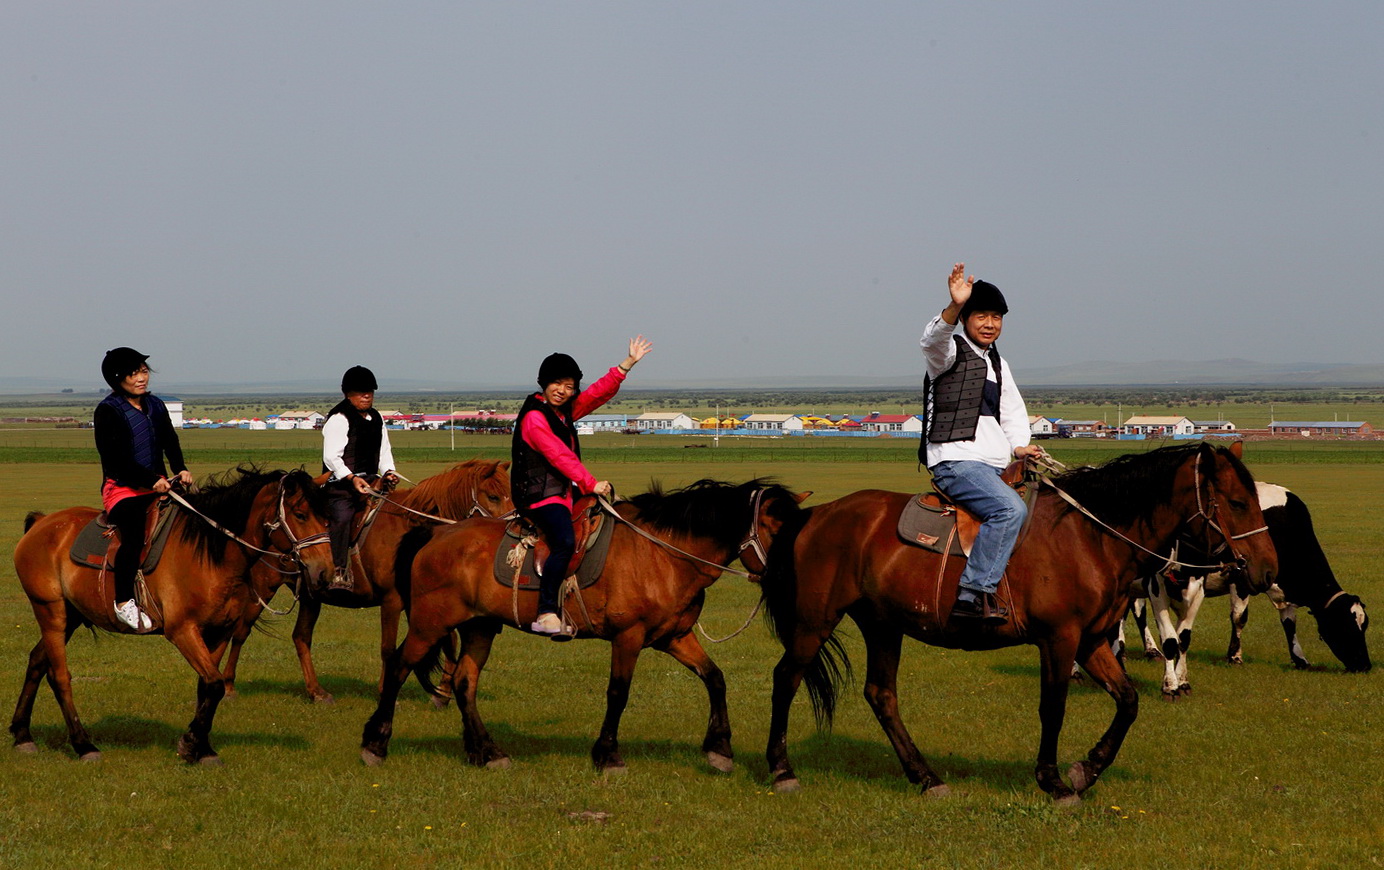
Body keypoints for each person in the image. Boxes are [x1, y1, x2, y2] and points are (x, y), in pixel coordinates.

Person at [919, 263, 1041, 623]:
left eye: (997, 317)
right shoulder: (949, 353)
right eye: (982, 316)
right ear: (967, 319)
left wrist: (1020, 446)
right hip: (957, 462)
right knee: (1010, 511)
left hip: (993, 466)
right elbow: (931, 340)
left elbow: (1012, 414)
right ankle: (972, 594)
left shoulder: (999, 365)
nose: (990, 323)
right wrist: (953, 307)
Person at [511, 336, 653, 637]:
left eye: (570, 386)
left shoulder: (561, 413)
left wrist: (625, 365)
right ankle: (547, 612)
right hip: (540, 496)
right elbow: (558, 455)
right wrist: (590, 482)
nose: (564, 391)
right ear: (544, 382)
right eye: (558, 383)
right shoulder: (535, 418)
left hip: (565, 494)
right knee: (563, 541)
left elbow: (596, 395)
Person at [93, 347, 195, 631]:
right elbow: (114, 459)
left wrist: (180, 469)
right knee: (135, 536)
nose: (142, 377)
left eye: (144, 371)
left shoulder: (156, 405)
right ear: (117, 378)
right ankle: (124, 601)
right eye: (134, 372)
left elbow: (169, 441)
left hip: (158, 484)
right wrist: (149, 480)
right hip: (122, 489)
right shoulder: (108, 411)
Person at [321, 365, 399, 591]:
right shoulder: (339, 418)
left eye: (370, 391)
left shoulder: (376, 417)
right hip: (340, 486)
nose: (367, 395)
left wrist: (389, 472)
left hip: (373, 481)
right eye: (361, 391)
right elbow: (331, 457)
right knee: (343, 517)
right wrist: (351, 478)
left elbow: (384, 450)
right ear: (348, 393)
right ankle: (338, 571)